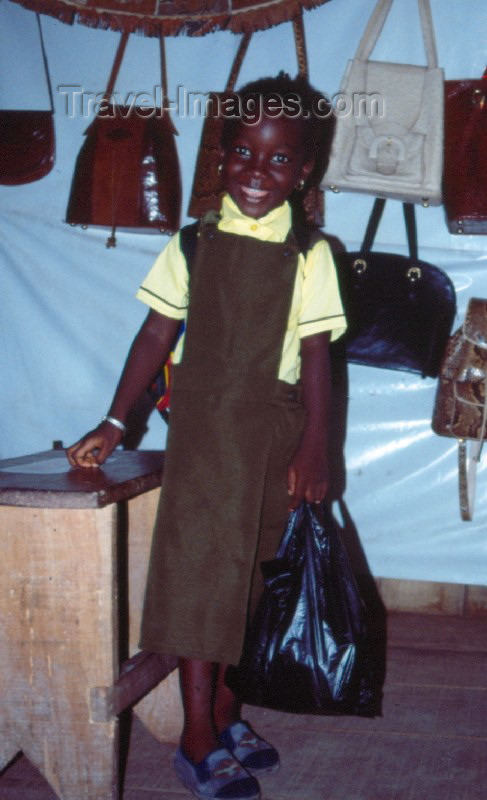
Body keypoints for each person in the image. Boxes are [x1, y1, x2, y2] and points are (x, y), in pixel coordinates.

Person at [67, 73, 346, 800]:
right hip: (203, 433)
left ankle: (225, 710)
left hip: (275, 432)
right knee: (200, 579)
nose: (259, 173)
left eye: (280, 159)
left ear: (304, 169)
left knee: (253, 577)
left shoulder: (312, 254)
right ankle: (196, 737)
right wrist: (115, 418)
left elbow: (317, 356)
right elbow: (156, 332)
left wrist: (317, 445)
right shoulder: (192, 244)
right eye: (244, 154)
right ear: (219, 155)